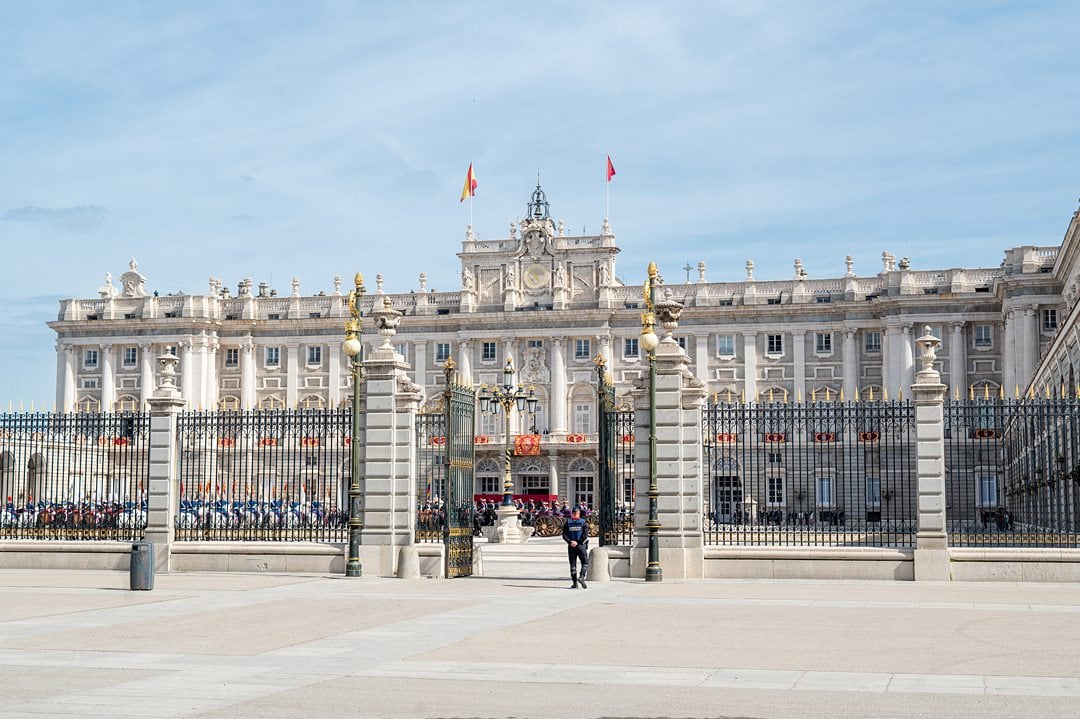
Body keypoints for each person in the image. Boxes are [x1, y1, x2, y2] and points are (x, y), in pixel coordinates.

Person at [562, 508, 589, 589]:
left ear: (572, 513)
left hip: (571, 546)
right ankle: (581, 577)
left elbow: (564, 535)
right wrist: (578, 542)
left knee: (573, 564)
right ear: (578, 513)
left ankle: (574, 583)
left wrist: (570, 542)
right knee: (585, 562)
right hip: (581, 545)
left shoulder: (567, 522)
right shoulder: (583, 522)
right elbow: (585, 535)